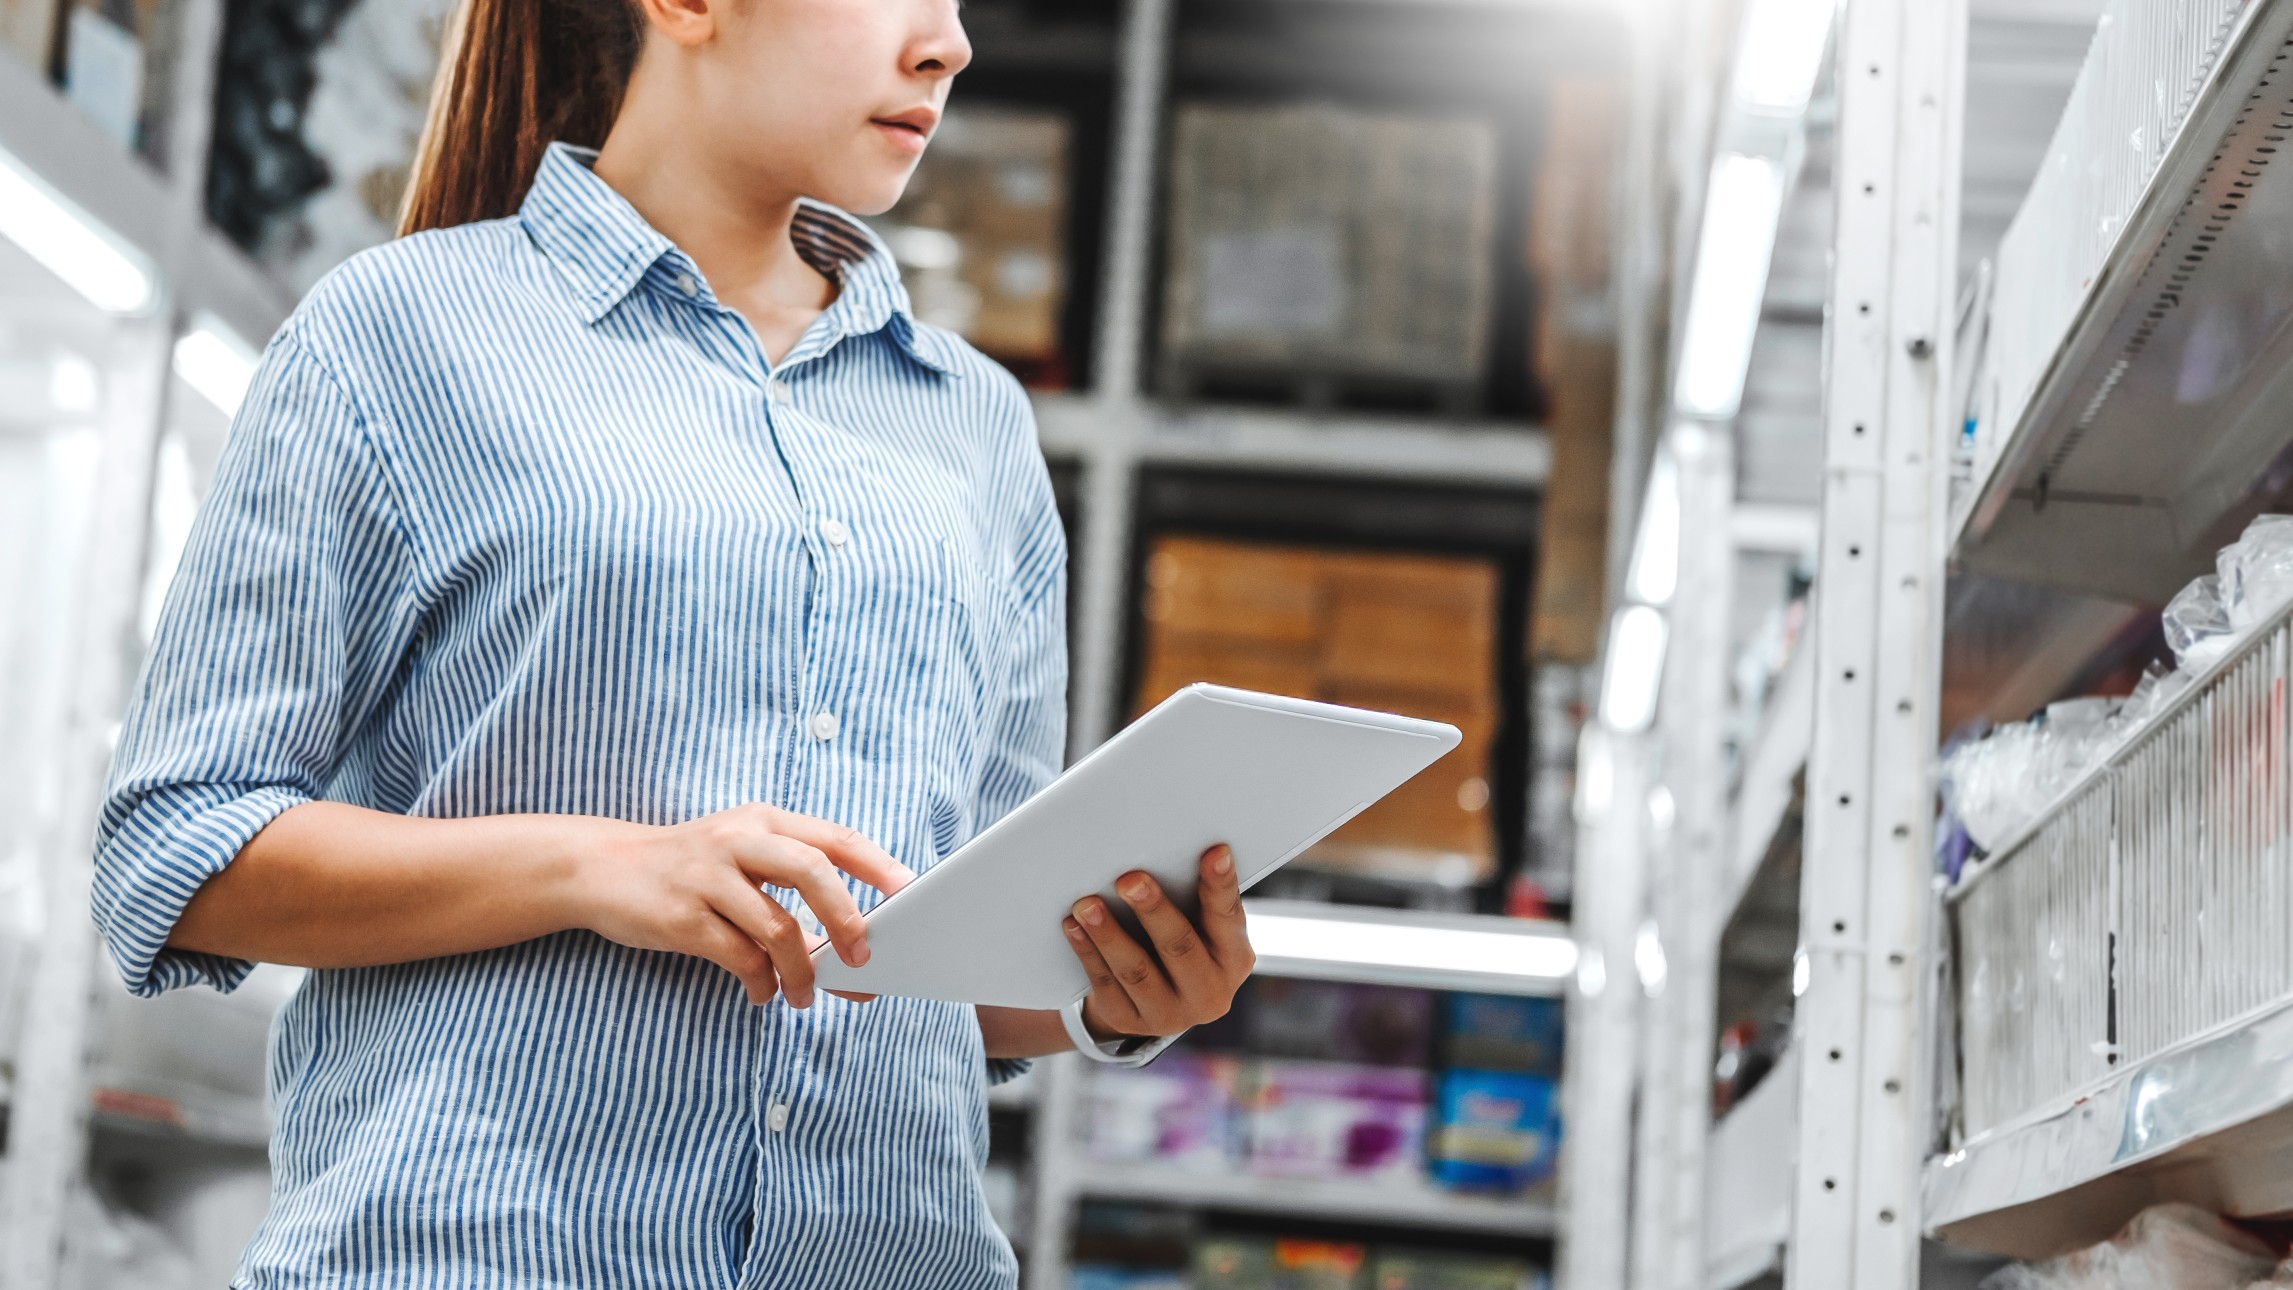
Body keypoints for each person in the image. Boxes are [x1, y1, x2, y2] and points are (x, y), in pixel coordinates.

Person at [91, 0, 1254, 1284]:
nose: (948, 43)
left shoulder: (975, 427)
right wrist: (591, 868)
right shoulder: (399, 334)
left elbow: (948, 975)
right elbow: (174, 851)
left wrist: (1110, 992)